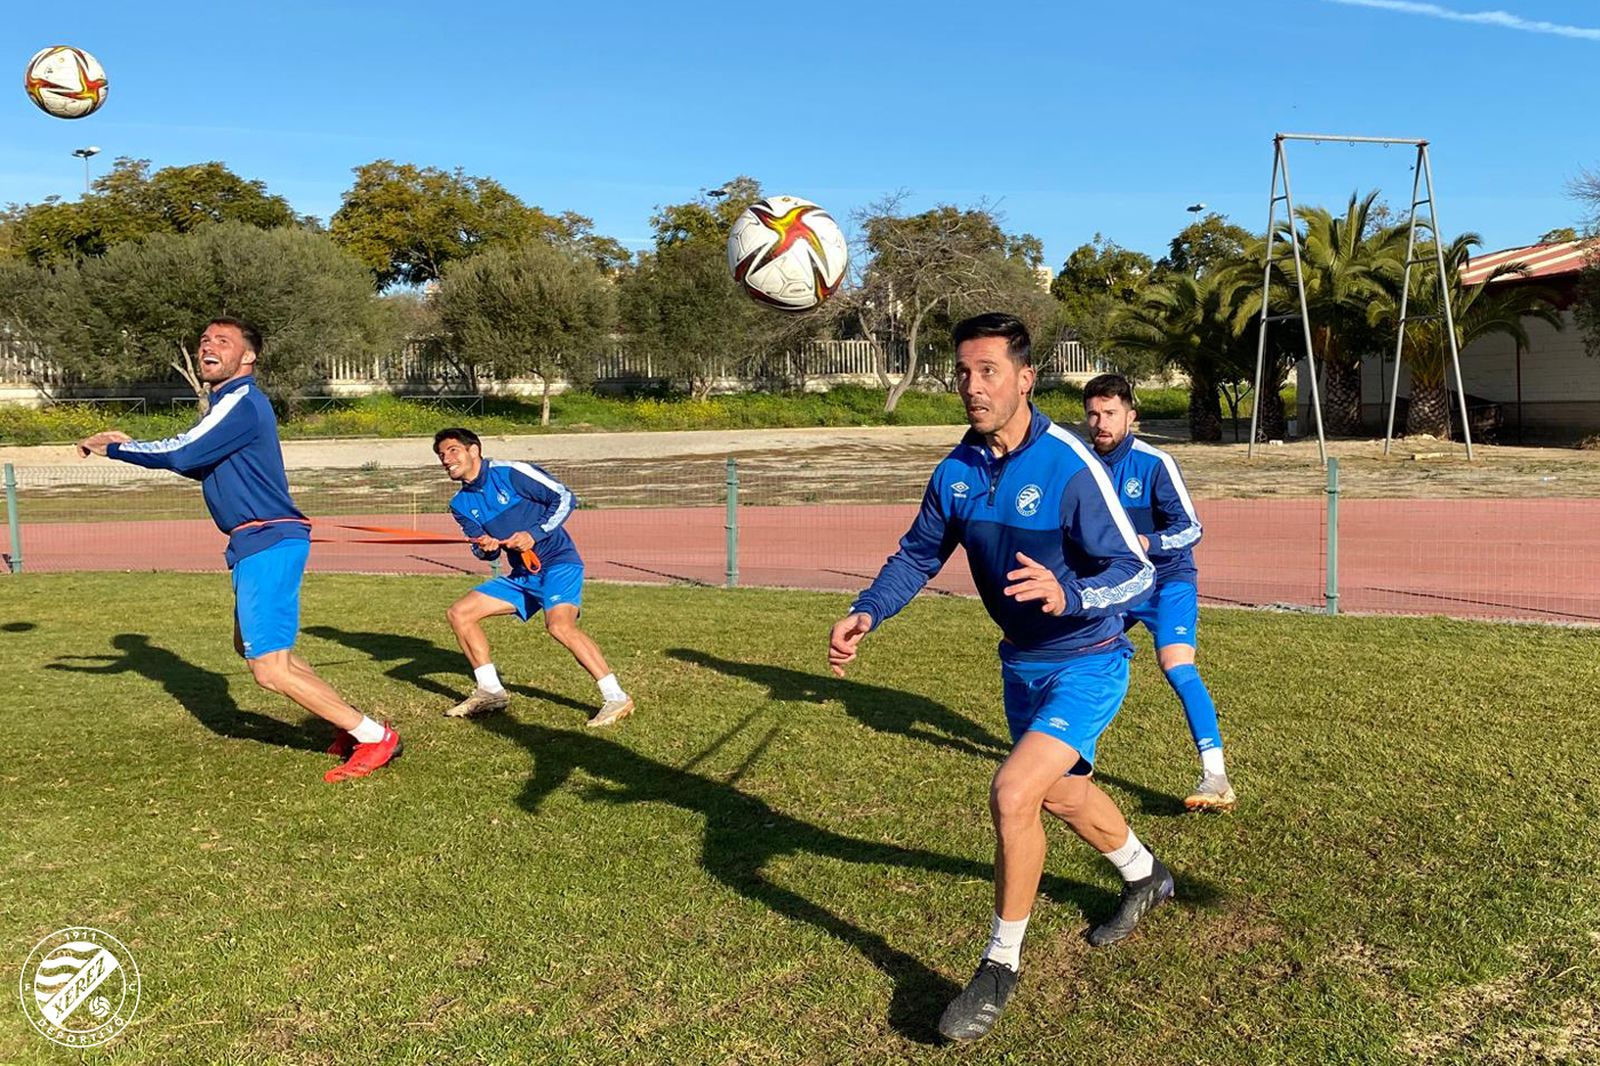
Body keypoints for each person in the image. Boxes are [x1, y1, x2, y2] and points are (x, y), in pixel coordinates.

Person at [828, 312, 1167, 1043]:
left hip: (1088, 659)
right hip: (1021, 665)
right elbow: (918, 554)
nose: (972, 387)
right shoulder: (956, 471)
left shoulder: (1070, 463)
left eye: (988, 373)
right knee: (1065, 794)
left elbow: (1136, 570)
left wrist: (1069, 594)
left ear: (1024, 378)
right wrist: (868, 611)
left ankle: (998, 965)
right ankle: (1146, 875)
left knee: (1013, 791)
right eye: (962, 373)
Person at [75, 317, 401, 783]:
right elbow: (196, 462)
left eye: (223, 341)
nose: (209, 345)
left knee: (268, 668)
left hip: (269, 538)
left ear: (248, 357)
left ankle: (373, 736)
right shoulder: (224, 406)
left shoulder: (242, 400)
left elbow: (183, 453)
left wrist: (119, 450)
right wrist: (135, 446)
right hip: (256, 542)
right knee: (265, 654)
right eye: (205, 340)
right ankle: (349, 725)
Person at [1082, 374, 1235, 812]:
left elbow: (1190, 528)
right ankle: (1074, 763)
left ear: (1131, 416)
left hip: (1167, 581)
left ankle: (1216, 777)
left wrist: (1146, 542)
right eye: (1093, 414)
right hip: (1115, 584)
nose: (1101, 423)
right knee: (1087, 660)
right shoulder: (1082, 466)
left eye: (1110, 413)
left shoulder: (1154, 463)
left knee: (1176, 665)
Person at [433, 427, 634, 727]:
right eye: (441, 455)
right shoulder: (460, 505)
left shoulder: (511, 472)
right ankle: (490, 690)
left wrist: (534, 533)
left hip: (558, 562)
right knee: (459, 613)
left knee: (559, 626)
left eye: (452, 451)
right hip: (522, 575)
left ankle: (616, 697)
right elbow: (484, 552)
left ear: (474, 450)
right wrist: (486, 549)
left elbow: (565, 497)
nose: (446, 459)